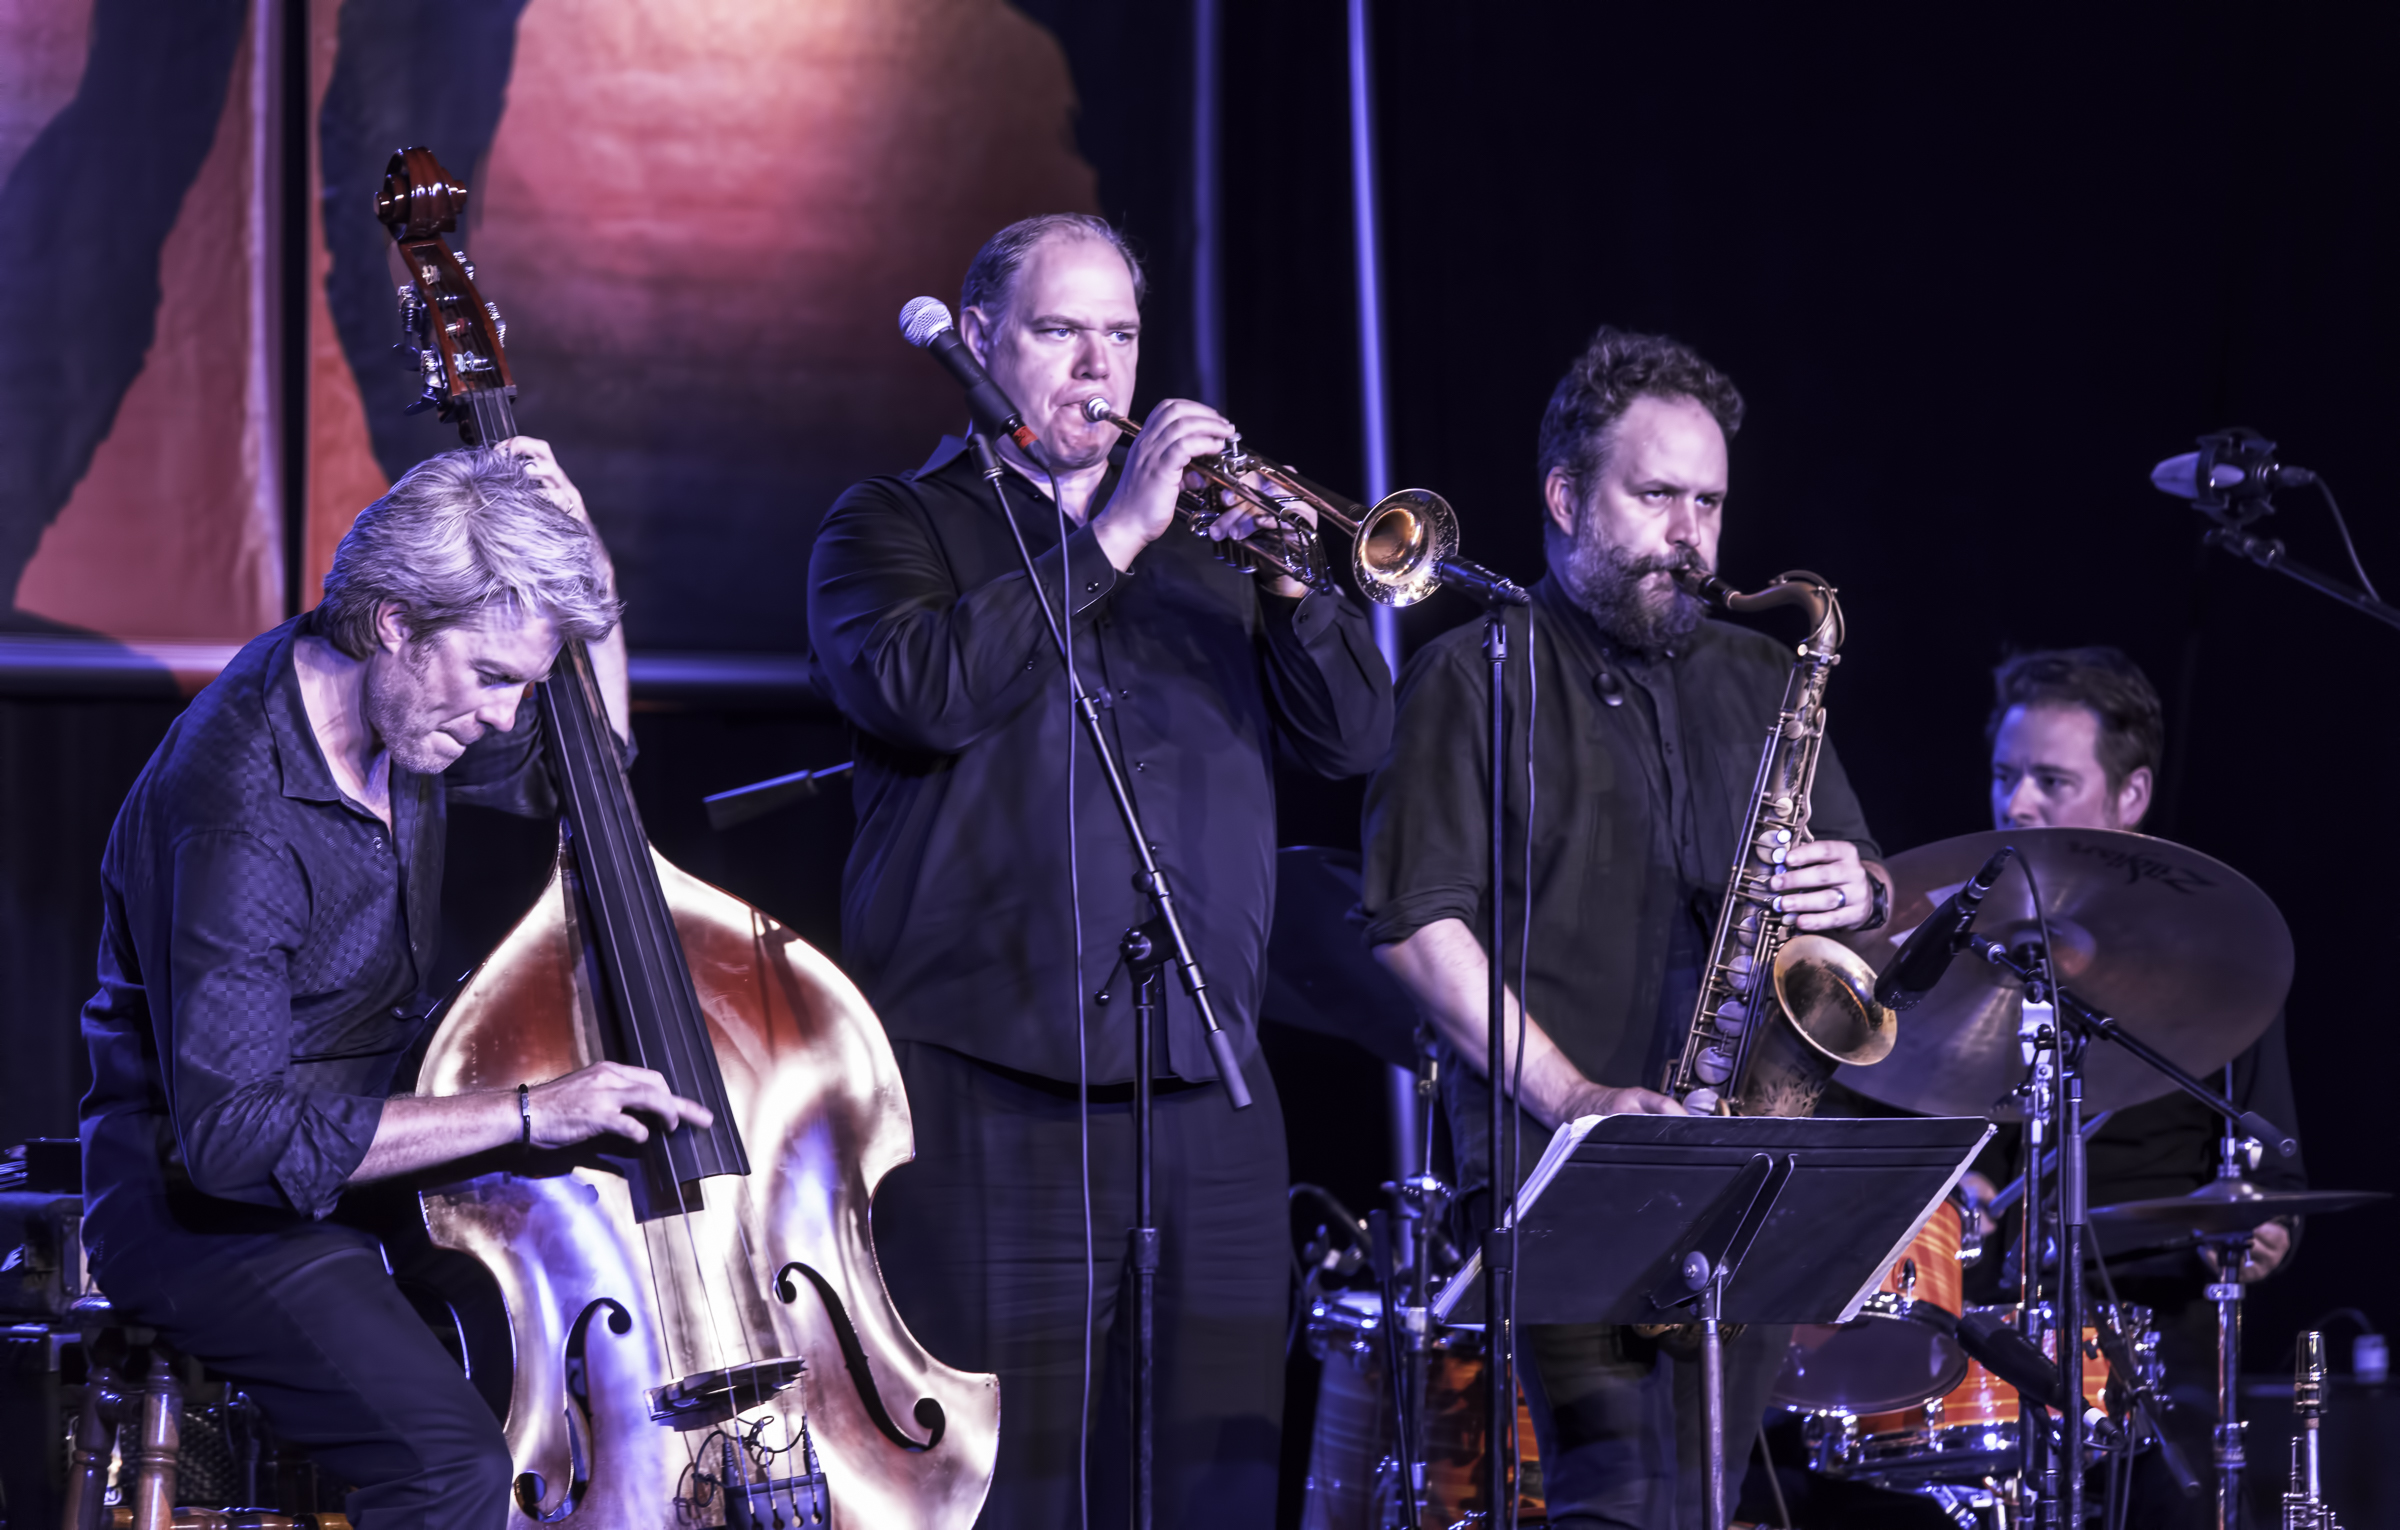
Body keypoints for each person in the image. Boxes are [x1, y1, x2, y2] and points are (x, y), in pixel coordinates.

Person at [806, 213, 1392, 1525]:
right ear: (978, 342)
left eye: (1120, 335)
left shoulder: (1212, 546)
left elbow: (1357, 738)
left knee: (1217, 1486)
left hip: (1211, 1084)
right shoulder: (890, 525)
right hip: (987, 1087)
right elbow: (919, 690)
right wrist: (1114, 533)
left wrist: (1300, 591)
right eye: (1061, 332)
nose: (1099, 369)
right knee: (1011, 1489)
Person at [78, 443, 715, 1529]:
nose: (509, 718)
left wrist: (586, 552)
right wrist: (523, 1110)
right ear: (392, 623)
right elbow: (234, 1139)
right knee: (447, 1467)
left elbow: (590, 765)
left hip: (364, 1154)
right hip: (207, 1210)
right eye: (496, 677)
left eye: (528, 680)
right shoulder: (237, 808)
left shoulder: (406, 708)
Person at [1360, 325, 1892, 1529]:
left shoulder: (1762, 677)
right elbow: (1409, 925)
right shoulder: (1469, 675)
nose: (1691, 533)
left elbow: (1865, 883)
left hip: (1744, 1153)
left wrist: (1855, 889)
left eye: (1707, 501)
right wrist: (1577, 1100)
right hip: (1562, 1161)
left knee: (1704, 1495)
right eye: (1655, 495)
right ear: (1563, 497)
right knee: (1621, 1490)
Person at [1981, 646, 2306, 1529]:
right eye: (2007, 775)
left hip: (2155, 1337)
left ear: (2130, 797)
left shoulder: (2215, 959)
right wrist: (1951, 1190)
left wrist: (2265, 1225)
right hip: (1981, 1340)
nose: (2017, 804)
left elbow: (2272, 1167)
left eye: (2051, 779)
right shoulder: (1960, 948)